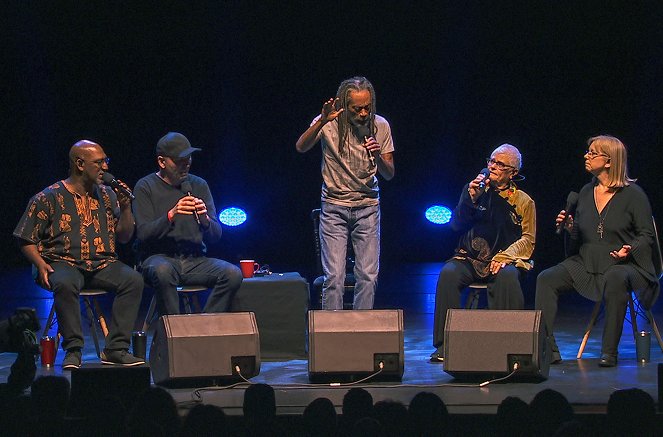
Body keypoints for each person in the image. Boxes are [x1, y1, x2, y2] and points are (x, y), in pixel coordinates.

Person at [13, 140, 145, 369]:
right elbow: (24, 238)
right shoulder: (48, 197)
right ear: (80, 164)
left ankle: (116, 349)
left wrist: (125, 208)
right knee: (65, 283)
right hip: (61, 262)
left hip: (102, 263)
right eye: (99, 162)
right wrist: (40, 263)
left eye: (106, 161)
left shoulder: (108, 195)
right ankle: (73, 349)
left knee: (133, 280)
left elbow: (124, 237)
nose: (105, 167)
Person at [535, 135, 659, 367]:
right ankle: (547, 348)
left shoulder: (634, 195)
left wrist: (629, 249)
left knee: (615, 276)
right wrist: (571, 228)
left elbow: (647, 236)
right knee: (546, 278)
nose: (586, 156)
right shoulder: (584, 192)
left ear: (610, 161)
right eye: (587, 152)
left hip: (626, 265)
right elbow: (579, 240)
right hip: (588, 262)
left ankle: (609, 352)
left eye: (593, 153)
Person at [296, 76, 395, 310]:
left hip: (368, 206)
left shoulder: (380, 125)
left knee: (368, 276)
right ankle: (332, 335)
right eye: (357, 108)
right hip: (334, 207)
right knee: (334, 278)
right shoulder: (328, 122)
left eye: (367, 108)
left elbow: (389, 173)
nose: (363, 113)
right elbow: (301, 147)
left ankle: (361, 332)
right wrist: (321, 122)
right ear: (344, 105)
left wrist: (379, 154)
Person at [430, 144, 535, 362]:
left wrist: (504, 258)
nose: (492, 166)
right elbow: (456, 225)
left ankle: (510, 343)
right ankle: (445, 345)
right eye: (491, 161)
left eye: (500, 164)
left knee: (508, 277)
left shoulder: (523, 201)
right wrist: (470, 199)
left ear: (513, 172)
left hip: (504, 261)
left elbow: (528, 239)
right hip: (470, 258)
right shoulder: (474, 189)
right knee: (448, 273)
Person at [133, 132, 242, 317]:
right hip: (159, 258)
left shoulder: (199, 185)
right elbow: (143, 234)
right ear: (162, 162)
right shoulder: (145, 186)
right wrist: (171, 215)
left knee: (232, 274)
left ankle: (202, 329)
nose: (186, 164)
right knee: (163, 271)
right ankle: (175, 334)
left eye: (189, 158)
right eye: (179, 160)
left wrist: (206, 220)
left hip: (195, 260)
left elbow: (216, 236)